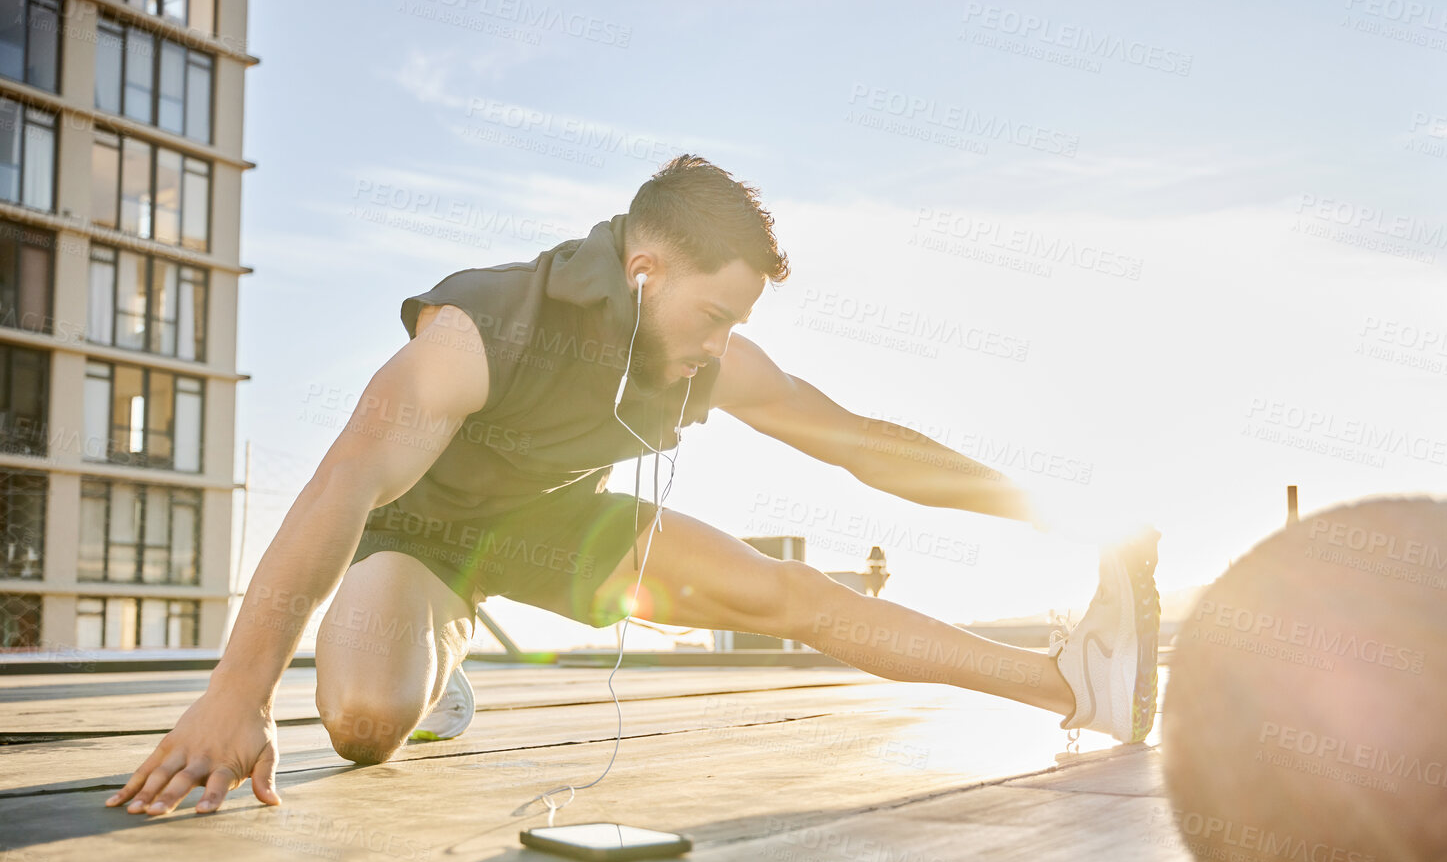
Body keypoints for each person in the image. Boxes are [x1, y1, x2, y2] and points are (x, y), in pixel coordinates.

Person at [106, 155, 1160, 818]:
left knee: (791, 598)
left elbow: (860, 445)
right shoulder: (480, 331)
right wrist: (233, 697)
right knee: (365, 724)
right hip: (417, 541)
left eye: (740, 325)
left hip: (558, 525)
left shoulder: (697, 355)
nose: (723, 348)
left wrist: (1058, 509)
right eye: (715, 317)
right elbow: (341, 485)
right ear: (646, 272)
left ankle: (1072, 685)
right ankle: (436, 665)